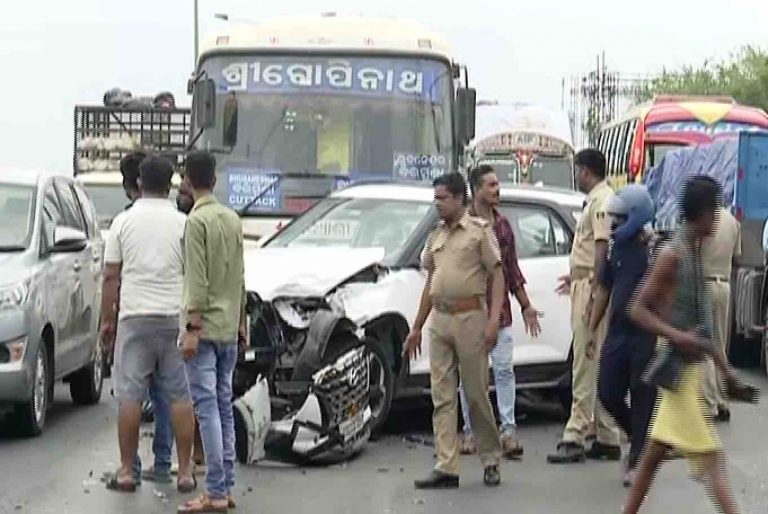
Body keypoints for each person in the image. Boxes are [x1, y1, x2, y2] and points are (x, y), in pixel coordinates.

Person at [624, 176, 748, 514]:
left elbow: (703, 328)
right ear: (704, 214)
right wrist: (677, 336)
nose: (718, 219)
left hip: (686, 373)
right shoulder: (672, 254)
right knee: (712, 460)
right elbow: (637, 307)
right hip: (680, 373)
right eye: (715, 212)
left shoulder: (693, 252)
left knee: (651, 459)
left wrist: (726, 373)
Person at [101, 155, 196, 493]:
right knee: (179, 397)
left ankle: (127, 471)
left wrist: (107, 321)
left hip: (134, 319)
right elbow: (194, 275)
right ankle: (184, 472)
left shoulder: (123, 222)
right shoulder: (184, 224)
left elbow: (111, 275)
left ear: (139, 184)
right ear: (170, 186)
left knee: (129, 396)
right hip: (173, 319)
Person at [405, 172, 505, 489]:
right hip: (441, 319)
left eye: (443, 198)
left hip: (471, 317)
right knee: (442, 396)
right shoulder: (436, 235)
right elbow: (430, 284)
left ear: (460, 199)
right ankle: (446, 464)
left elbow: (498, 275)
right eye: (435, 198)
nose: (437, 204)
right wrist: (417, 326)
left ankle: (490, 458)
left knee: (475, 394)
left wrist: (493, 322)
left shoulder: (478, 232)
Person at [178, 151, 246, 513]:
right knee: (223, 405)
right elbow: (240, 277)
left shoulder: (196, 222)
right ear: (215, 180)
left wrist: (191, 328)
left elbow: (198, 283)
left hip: (203, 330)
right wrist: (241, 322)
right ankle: (225, 486)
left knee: (207, 410)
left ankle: (216, 492)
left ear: (187, 181)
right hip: (228, 329)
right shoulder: (232, 219)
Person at [458, 165, 542, 459]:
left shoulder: (502, 226)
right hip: (469, 313)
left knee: (504, 371)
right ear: (477, 190)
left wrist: (526, 306)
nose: (497, 189)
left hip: (501, 313)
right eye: (491, 185)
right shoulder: (461, 225)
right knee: (470, 377)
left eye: (497, 184)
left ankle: (508, 431)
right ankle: (471, 433)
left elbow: (511, 271)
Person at [548, 149, 621, 464]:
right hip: (587, 282)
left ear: (585, 170)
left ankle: (576, 434)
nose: (575, 176)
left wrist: (593, 292)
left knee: (585, 360)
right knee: (597, 362)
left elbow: (602, 249)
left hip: (593, 288)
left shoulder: (602, 201)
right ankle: (606, 435)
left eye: (577, 170)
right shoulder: (598, 200)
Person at [590, 184, 658, 488]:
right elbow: (604, 289)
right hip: (617, 333)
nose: (613, 224)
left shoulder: (655, 250)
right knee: (607, 392)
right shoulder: (616, 248)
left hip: (645, 335)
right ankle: (639, 438)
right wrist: (591, 329)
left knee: (642, 397)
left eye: (619, 218)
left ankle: (638, 459)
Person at [701, 204, 741, 422]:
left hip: (704, 285)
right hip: (724, 286)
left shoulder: (702, 218)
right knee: (720, 346)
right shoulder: (732, 221)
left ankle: (710, 402)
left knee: (705, 347)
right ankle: (723, 399)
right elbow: (736, 258)